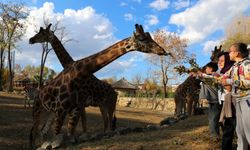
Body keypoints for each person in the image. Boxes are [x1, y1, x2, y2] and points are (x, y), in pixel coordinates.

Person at [221, 43, 250, 150]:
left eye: (230, 51)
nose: (229, 53)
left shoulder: (247, 64)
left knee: (249, 131)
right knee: (240, 132)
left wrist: (230, 81)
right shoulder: (234, 67)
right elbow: (221, 79)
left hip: (247, 100)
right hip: (238, 100)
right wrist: (201, 75)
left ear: (237, 53)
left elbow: (249, 82)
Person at [216, 52, 235, 150]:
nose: (219, 62)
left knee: (230, 126)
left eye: (222, 60)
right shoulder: (222, 73)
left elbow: (233, 86)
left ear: (228, 60)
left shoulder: (234, 71)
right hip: (223, 101)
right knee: (226, 125)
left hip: (233, 102)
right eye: (218, 60)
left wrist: (228, 86)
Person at [198, 62, 221, 140]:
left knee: (213, 120)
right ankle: (216, 135)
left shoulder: (212, 78)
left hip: (215, 101)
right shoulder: (210, 77)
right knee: (215, 119)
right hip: (213, 101)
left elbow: (202, 77)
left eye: (207, 68)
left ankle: (215, 137)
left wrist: (198, 73)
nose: (205, 69)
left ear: (210, 69)